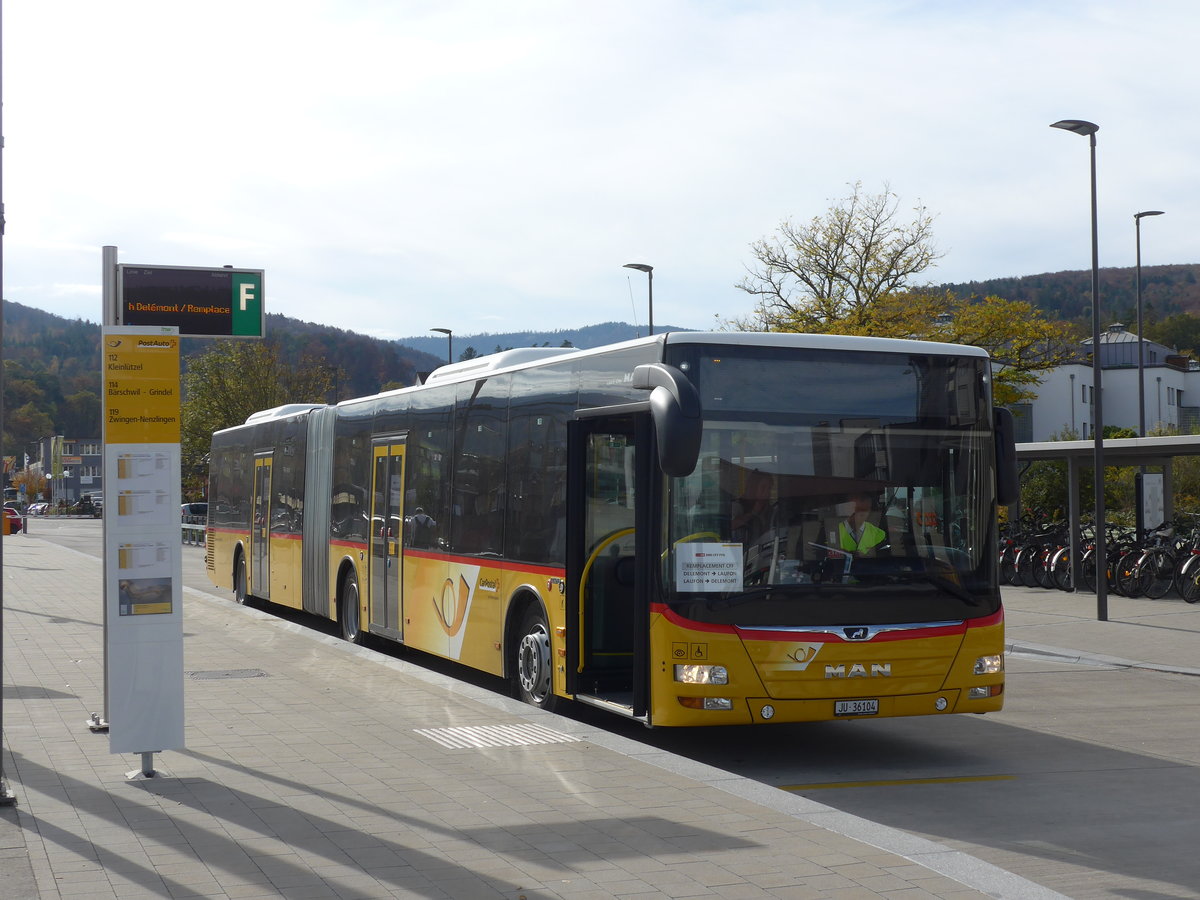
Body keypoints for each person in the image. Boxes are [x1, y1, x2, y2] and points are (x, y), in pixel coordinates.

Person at [834, 492, 887, 557]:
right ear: (845, 509)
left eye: (862, 510)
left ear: (869, 511)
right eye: (852, 510)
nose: (856, 514)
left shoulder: (879, 535)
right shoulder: (831, 533)